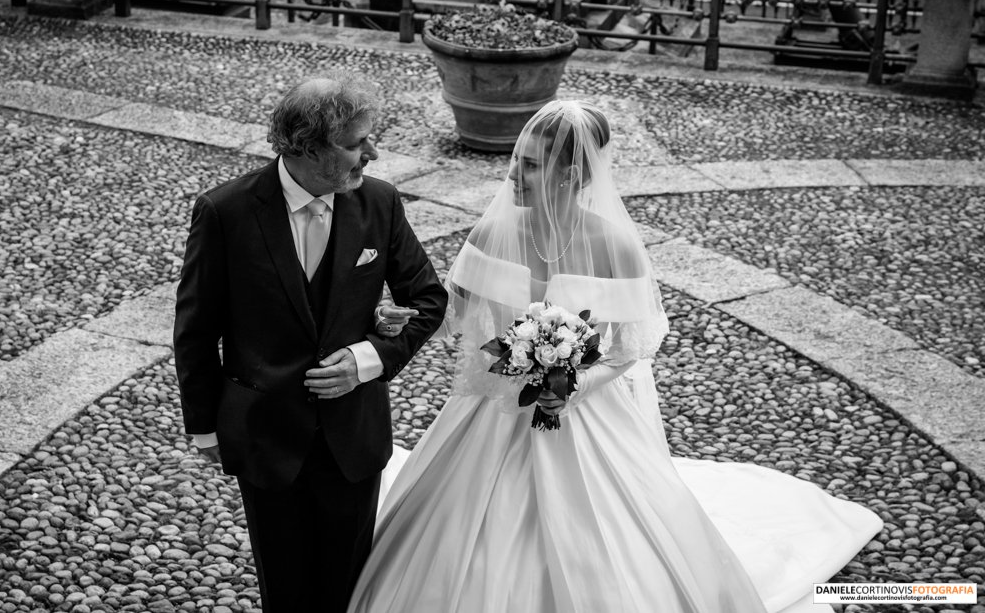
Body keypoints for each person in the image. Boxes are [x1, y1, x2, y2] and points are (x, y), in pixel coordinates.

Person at [348, 100, 883, 613]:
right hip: (496, 408)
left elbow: (630, 347)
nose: (513, 174)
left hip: (584, 410)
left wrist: (570, 387)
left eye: (530, 166)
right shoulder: (491, 231)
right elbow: (459, 318)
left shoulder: (616, 246)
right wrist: (438, 335)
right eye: (517, 159)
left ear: (570, 174)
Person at [173, 75, 448, 613]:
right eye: (355, 144)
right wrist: (203, 424)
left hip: (355, 435)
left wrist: (368, 360)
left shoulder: (380, 202)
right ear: (307, 146)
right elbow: (196, 327)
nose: (372, 153)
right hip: (265, 434)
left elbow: (429, 301)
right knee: (284, 581)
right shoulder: (225, 212)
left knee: (346, 582)